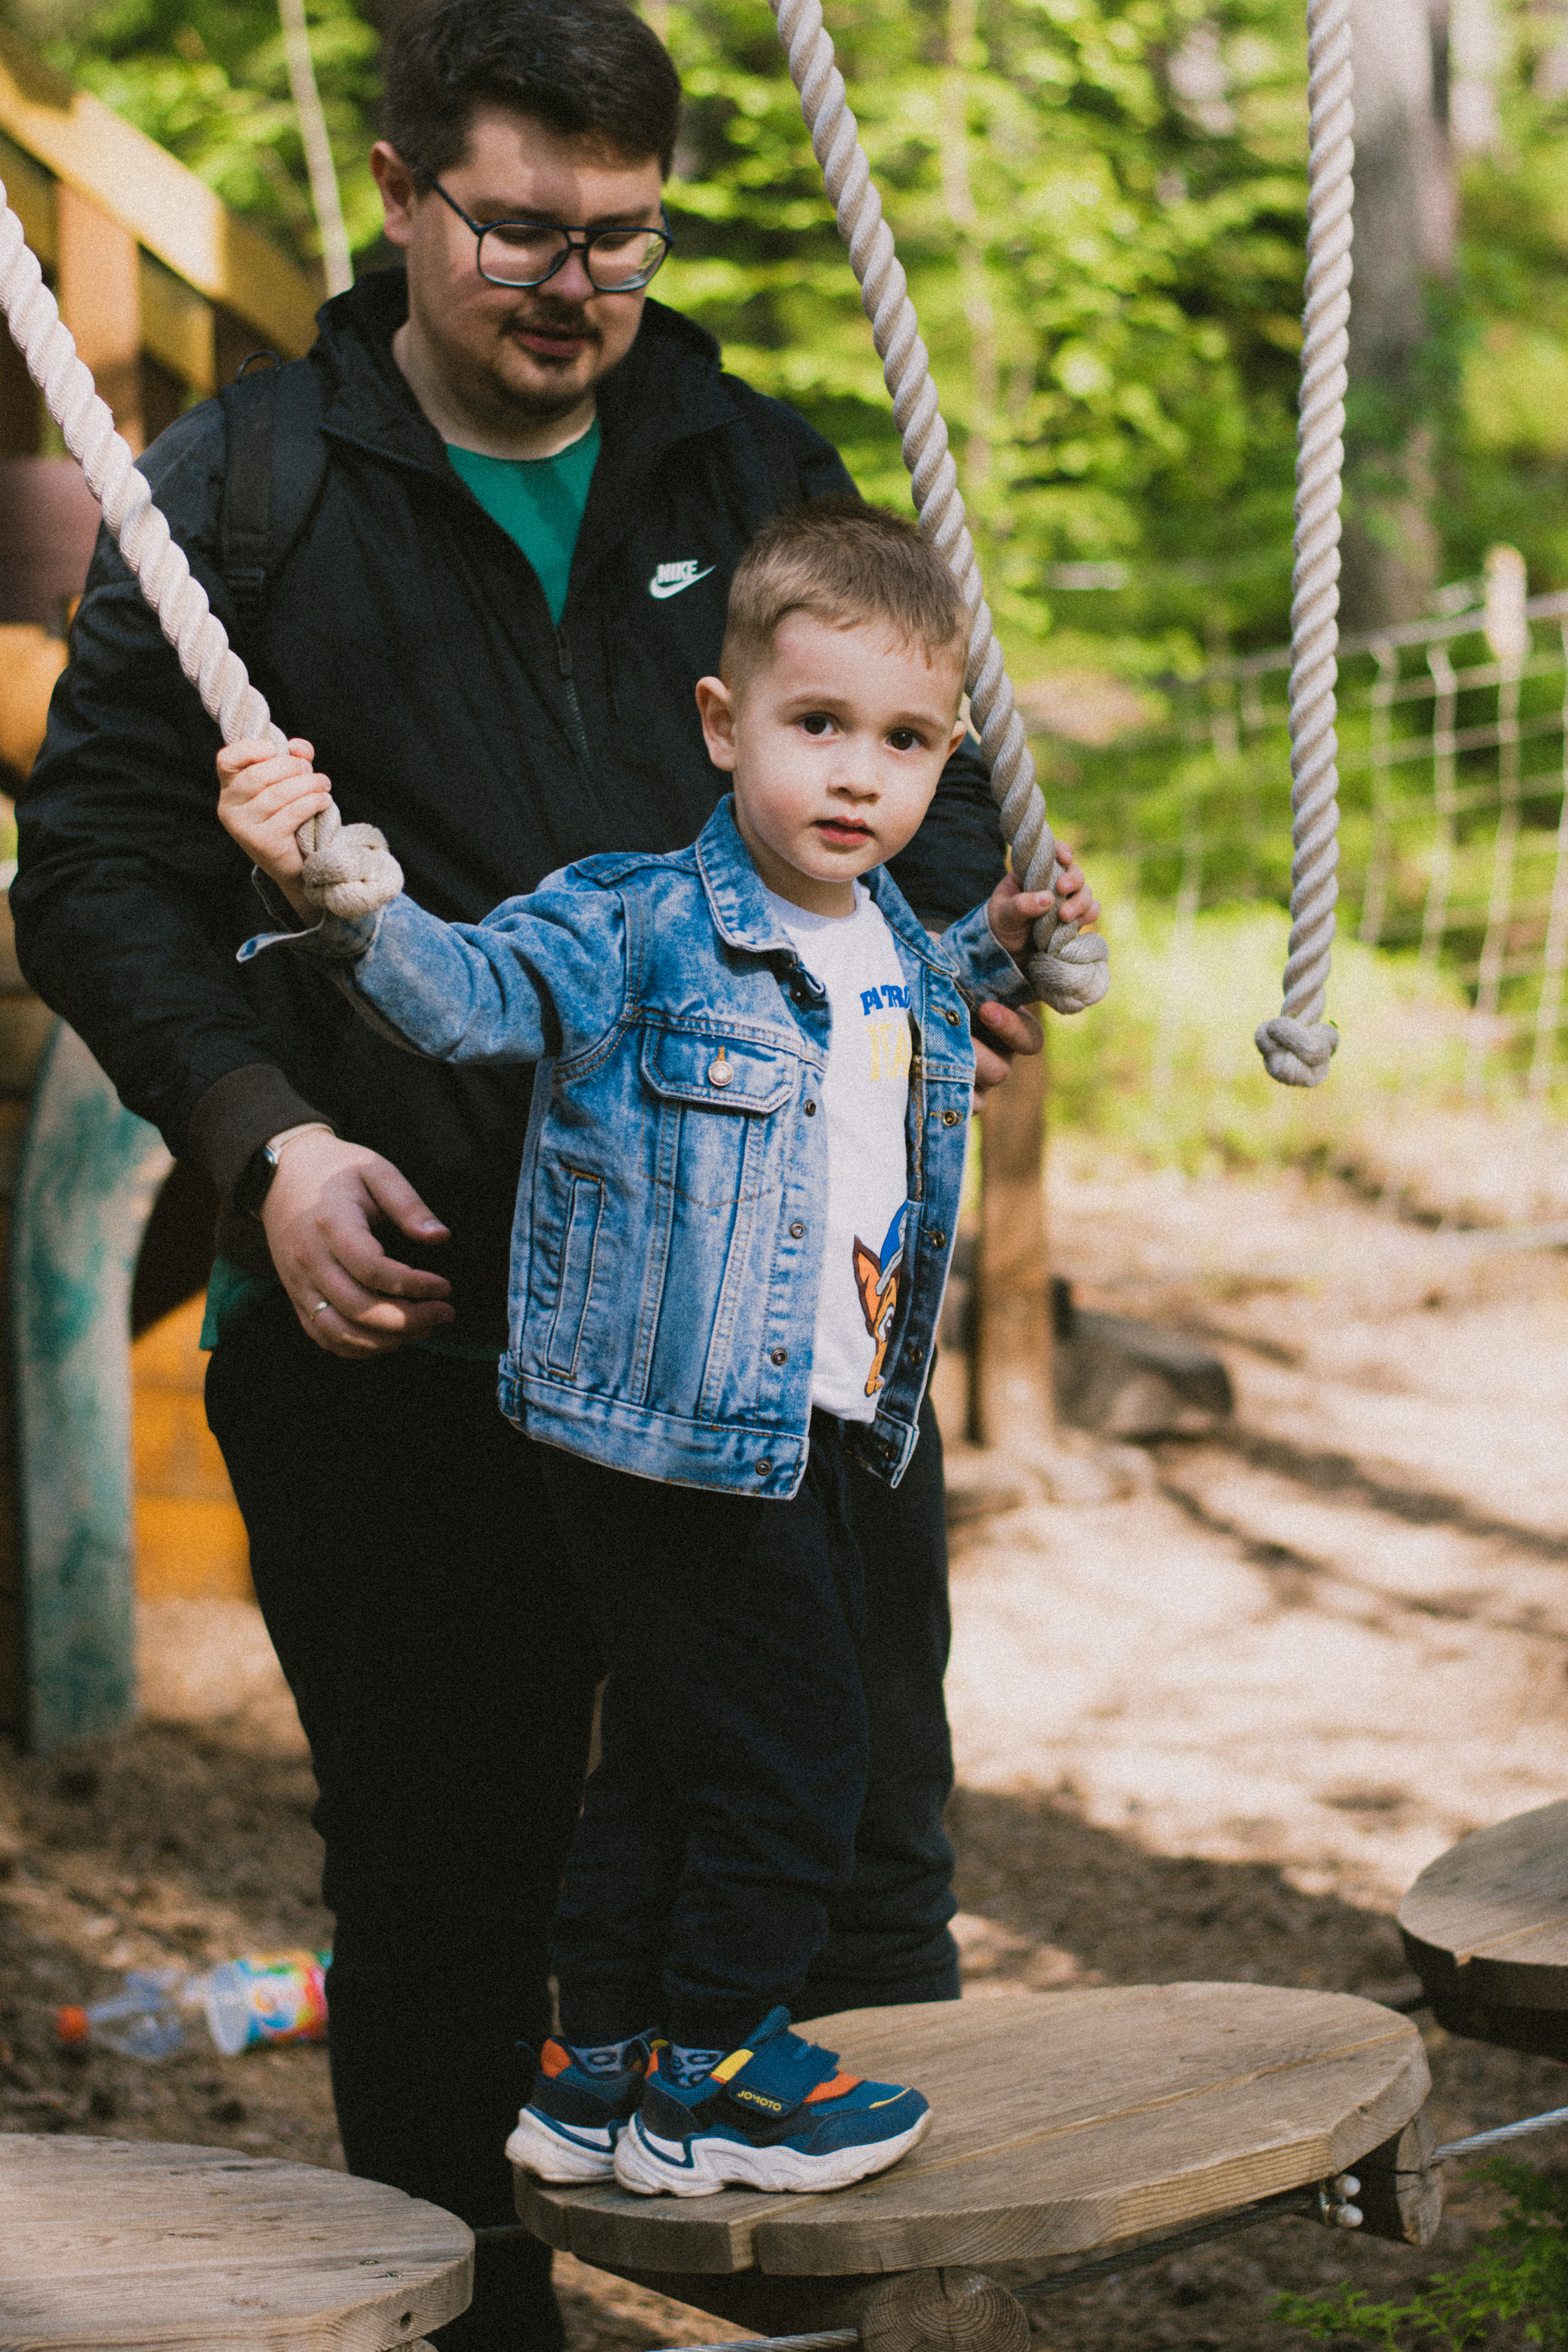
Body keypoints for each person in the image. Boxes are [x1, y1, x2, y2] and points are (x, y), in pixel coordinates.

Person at [12, 0, 1093, 2337]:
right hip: (416, 1302)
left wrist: (947, 967)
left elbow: (943, 780)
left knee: (839, 1836)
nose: (569, 280)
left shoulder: (746, 462)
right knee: (453, 1875)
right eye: (515, 225)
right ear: (400, 196)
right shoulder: (247, 491)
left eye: (619, 233)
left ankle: (837, 2312)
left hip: (779, 1344)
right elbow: (88, 863)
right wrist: (262, 1140)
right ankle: (475, 2319)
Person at [214, 501, 1060, 2199]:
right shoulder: (631, 924)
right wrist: (332, 879)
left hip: (816, 1422)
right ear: (720, 724)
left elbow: (898, 1030)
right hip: (670, 1431)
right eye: (817, 726)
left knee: (674, 1756)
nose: (856, 777)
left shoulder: (889, 935)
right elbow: (455, 999)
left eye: (901, 744)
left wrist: (1006, 943)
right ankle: (717, 2071)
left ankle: (596, 2064)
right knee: (808, 1765)